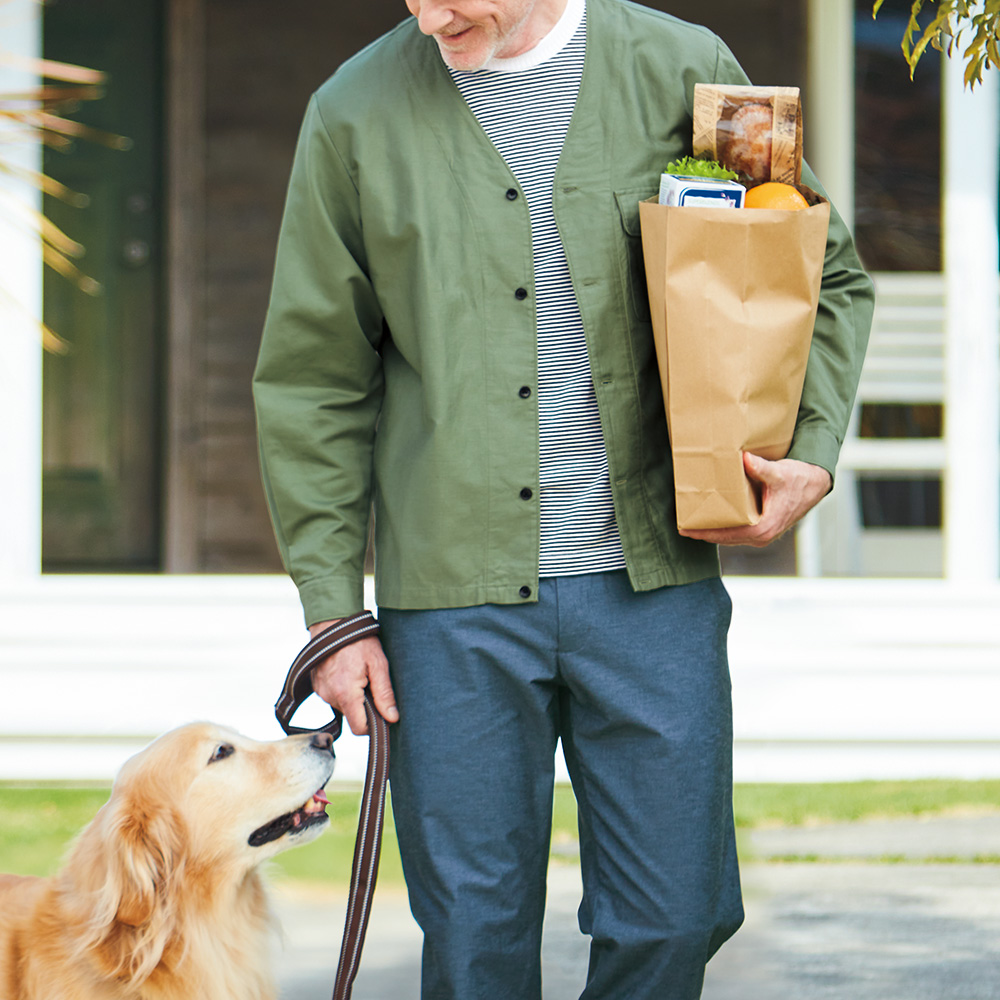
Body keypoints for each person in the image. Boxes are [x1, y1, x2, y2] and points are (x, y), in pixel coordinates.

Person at [253, 1, 875, 996]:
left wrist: (805, 447)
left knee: (676, 914)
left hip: (653, 586)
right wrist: (333, 609)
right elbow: (313, 379)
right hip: (450, 603)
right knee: (471, 934)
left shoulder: (683, 68)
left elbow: (817, 268)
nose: (432, 14)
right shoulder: (354, 111)